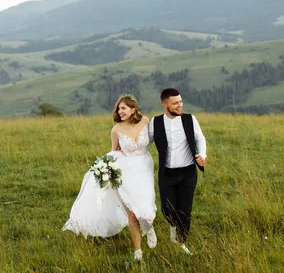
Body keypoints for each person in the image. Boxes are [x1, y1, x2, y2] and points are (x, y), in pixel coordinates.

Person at [63, 94, 157, 261]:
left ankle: (148, 227)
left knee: (147, 210)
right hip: (125, 171)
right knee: (132, 213)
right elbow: (114, 151)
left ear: (133, 109)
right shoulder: (116, 129)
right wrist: (107, 169)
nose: (119, 111)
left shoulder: (145, 121)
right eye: (118, 109)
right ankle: (138, 249)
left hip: (144, 168)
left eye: (123, 108)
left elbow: (154, 139)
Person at [148, 88, 207, 256]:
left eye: (180, 101)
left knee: (185, 210)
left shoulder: (190, 119)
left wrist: (202, 155)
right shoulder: (155, 122)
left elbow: (200, 138)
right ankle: (172, 226)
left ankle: (182, 243)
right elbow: (145, 143)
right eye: (175, 103)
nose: (180, 105)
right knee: (167, 209)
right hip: (167, 174)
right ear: (164, 104)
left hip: (188, 172)